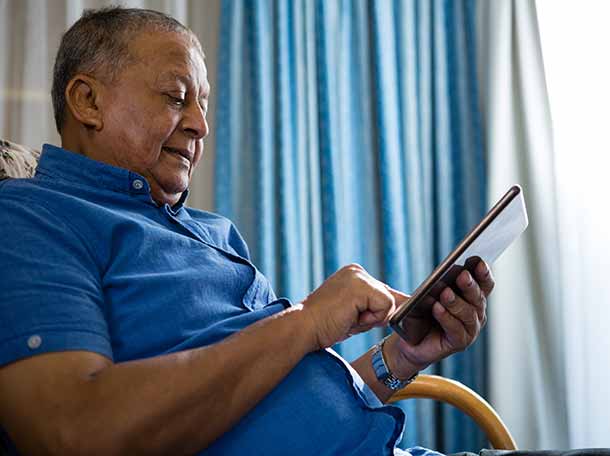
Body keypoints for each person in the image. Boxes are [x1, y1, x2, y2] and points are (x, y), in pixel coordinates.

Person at [0, 8, 493, 455]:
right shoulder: (31, 219)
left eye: (204, 104)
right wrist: (304, 322)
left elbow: (279, 403)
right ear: (87, 101)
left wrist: (401, 357)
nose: (200, 125)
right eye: (175, 97)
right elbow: (73, 431)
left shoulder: (215, 234)